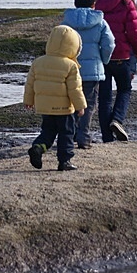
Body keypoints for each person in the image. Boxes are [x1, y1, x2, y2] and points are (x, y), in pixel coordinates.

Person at [24, 24, 87, 171]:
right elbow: (75, 89)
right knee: (67, 133)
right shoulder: (71, 65)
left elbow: (30, 83)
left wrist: (28, 101)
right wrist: (80, 106)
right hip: (64, 108)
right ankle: (64, 161)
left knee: (48, 131)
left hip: (45, 107)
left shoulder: (38, 62)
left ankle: (38, 147)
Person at [94, 0, 137, 142]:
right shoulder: (127, 3)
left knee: (104, 97)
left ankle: (107, 137)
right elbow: (135, 33)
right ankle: (117, 119)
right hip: (122, 56)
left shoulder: (95, 2)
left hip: (101, 56)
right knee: (124, 89)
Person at [61, 0, 114, 149]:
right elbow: (109, 44)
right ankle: (83, 136)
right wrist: (103, 60)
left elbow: (59, 43)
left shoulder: (66, 21)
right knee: (89, 104)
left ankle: (70, 136)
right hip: (92, 70)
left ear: (75, 2)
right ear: (94, 3)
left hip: (70, 69)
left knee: (70, 102)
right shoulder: (100, 22)